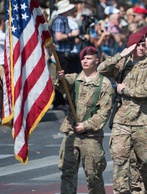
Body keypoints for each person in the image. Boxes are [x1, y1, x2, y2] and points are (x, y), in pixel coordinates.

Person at [98, 32, 147, 194]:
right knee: (120, 161)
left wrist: (124, 90)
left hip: (146, 123)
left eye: (143, 44)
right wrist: (121, 54)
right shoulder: (123, 64)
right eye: (137, 44)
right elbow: (100, 70)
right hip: (122, 122)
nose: (141, 47)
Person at [56, 46, 114, 194]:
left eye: (89, 58)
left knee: (93, 175)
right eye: (83, 58)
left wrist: (86, 125)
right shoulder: (74, 79)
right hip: (71, 133)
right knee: (67, 173)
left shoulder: (104, 84)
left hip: (91, 136)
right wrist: (60, 78)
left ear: (97, 60)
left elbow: (104, 113)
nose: (85, 61)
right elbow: (61, 85)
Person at [51, 0, 78, 110]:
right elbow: (58, 37)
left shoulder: (64, 19)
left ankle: (63, 100)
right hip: (61, 52)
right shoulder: (59, 20)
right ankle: (58, 101)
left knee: (66, 76)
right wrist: (72, 34)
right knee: (62, 76)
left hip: (66, 51)